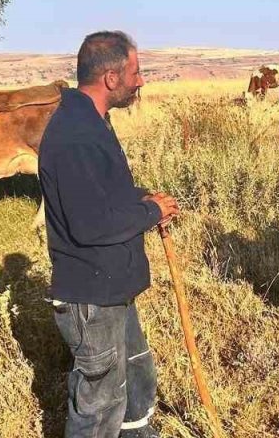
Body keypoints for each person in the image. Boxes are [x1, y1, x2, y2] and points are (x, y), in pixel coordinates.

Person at [38, 30, 180, 437]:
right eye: (136, 72)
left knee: (133, 380)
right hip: (91, 296)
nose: (141, 81)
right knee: (99, 404)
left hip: (111, 286)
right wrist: (149, 212)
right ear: (111, 79)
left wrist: (142, 200)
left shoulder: (92, 121)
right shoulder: (76, 136)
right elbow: (91, 223)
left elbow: (102, 194)